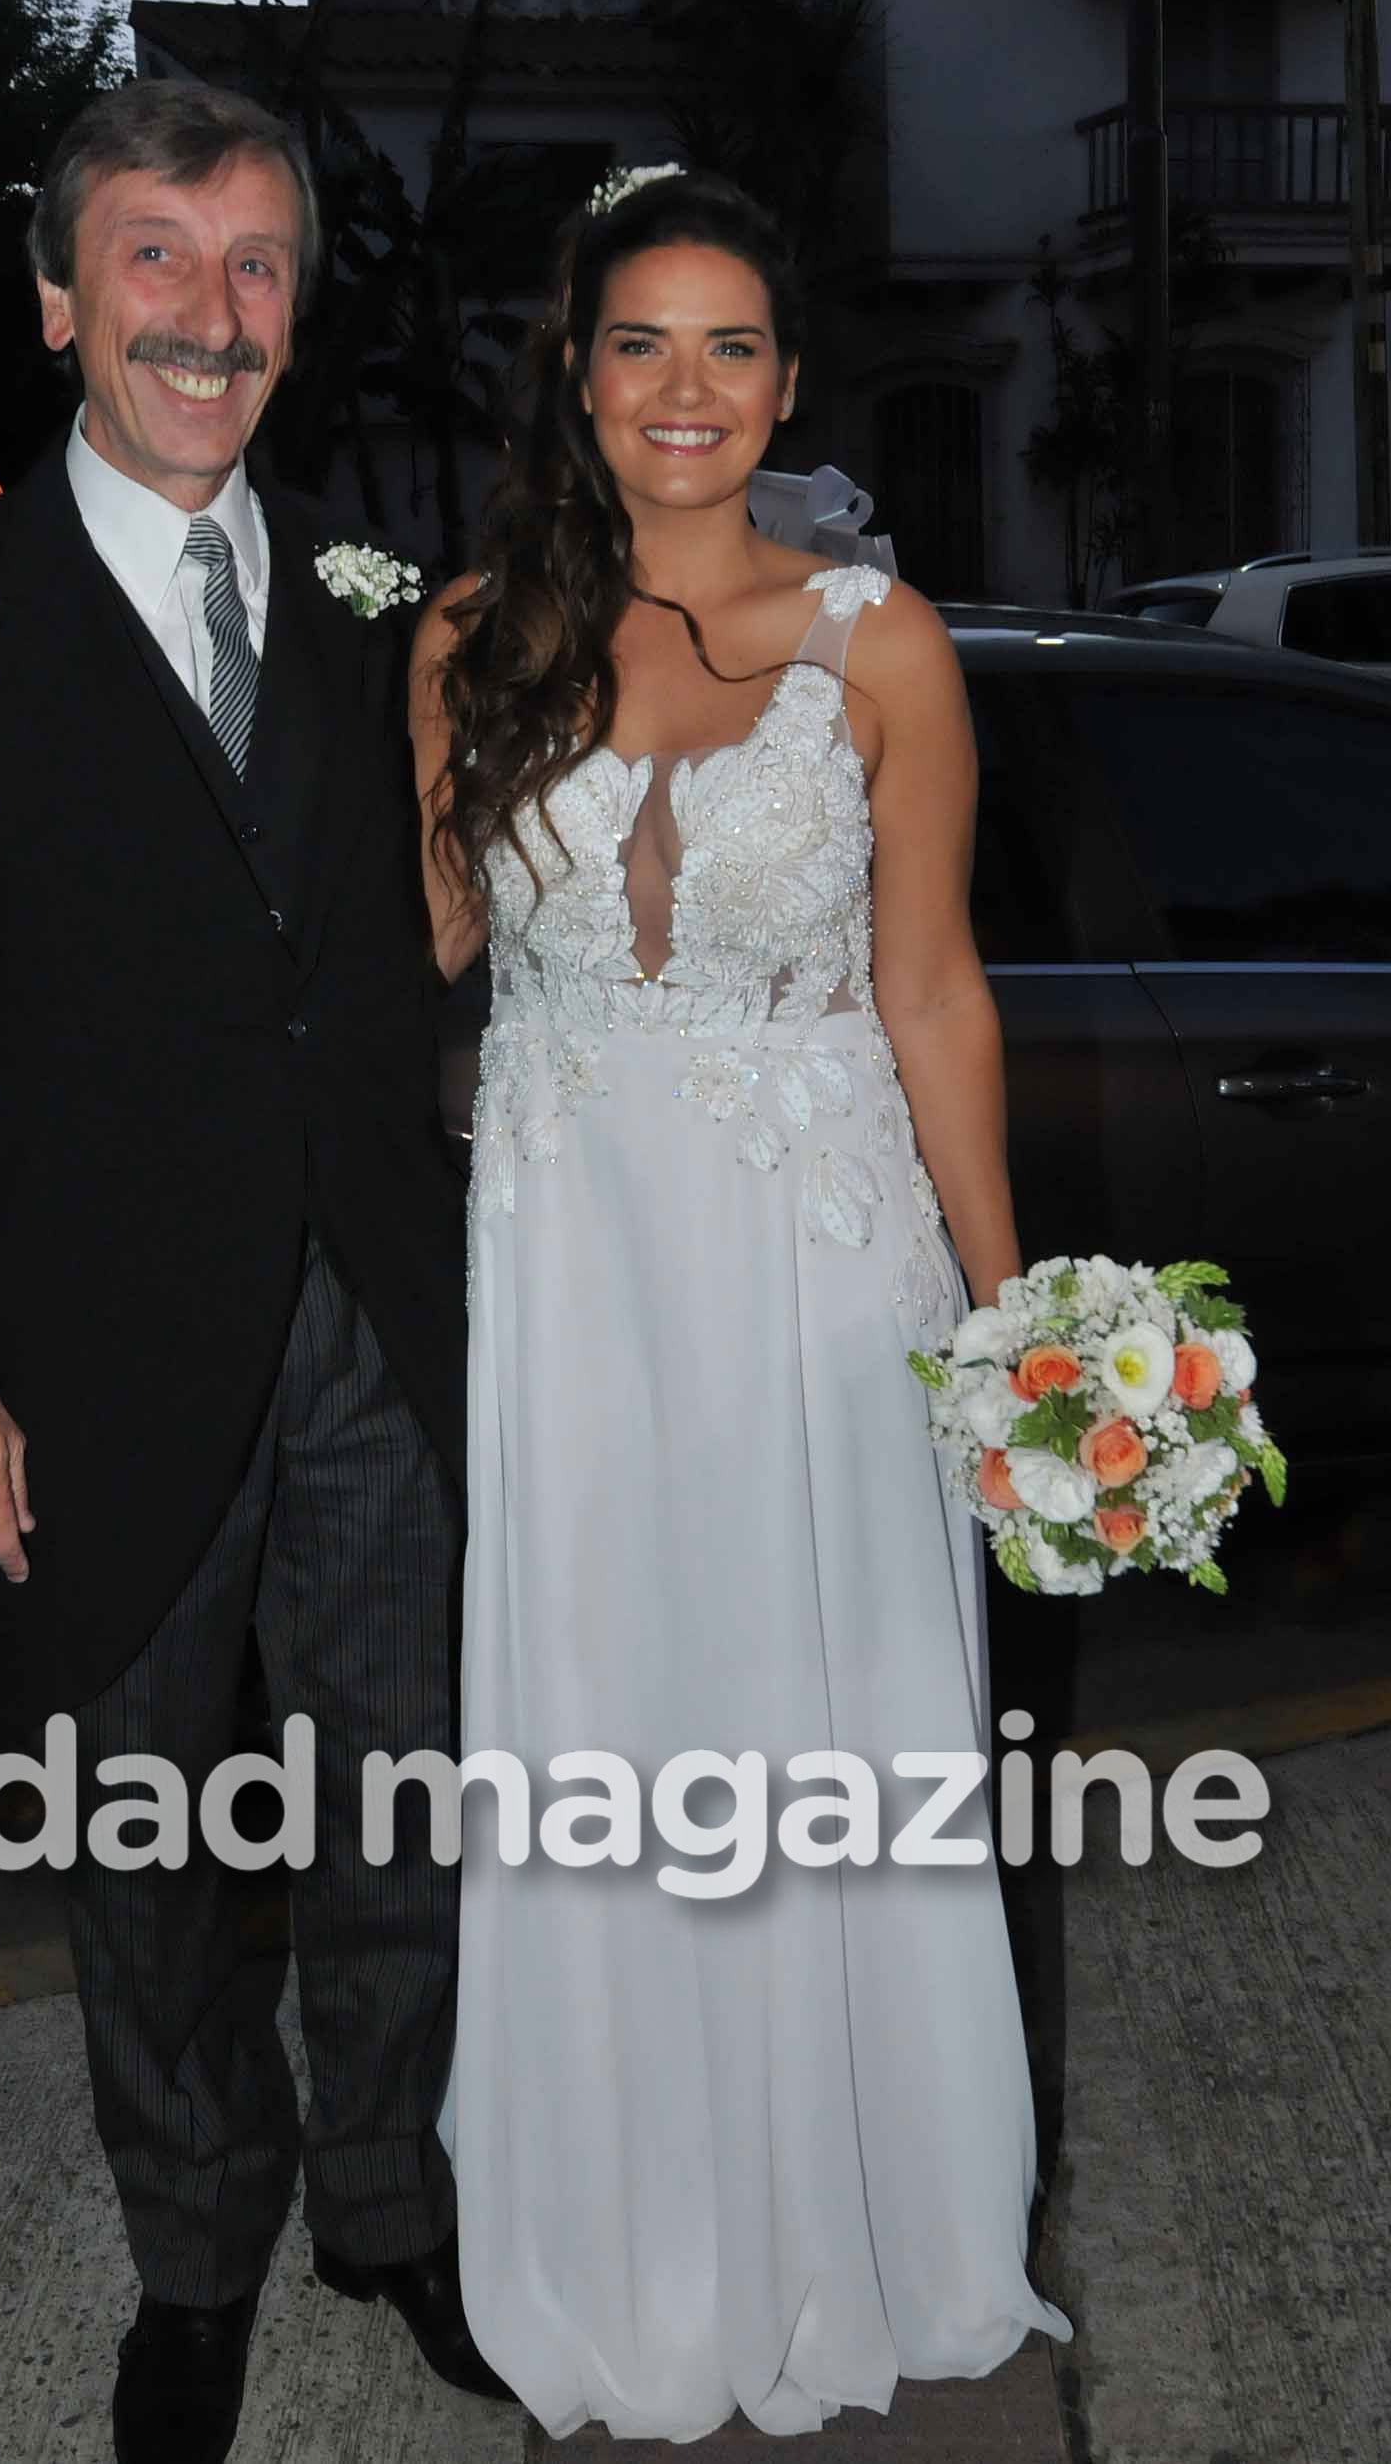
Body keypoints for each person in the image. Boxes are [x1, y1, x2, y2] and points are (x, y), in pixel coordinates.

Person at [0, 81, 511, 2461]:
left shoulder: (380, 594)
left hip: (375, 1335)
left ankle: (390, 2211)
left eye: (259, 264)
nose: (213, 317)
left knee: (404, 1805)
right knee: (153, 1848)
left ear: (303, 303)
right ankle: (193, 2261)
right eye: (158, 262)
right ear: (62, 302)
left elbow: (421, 949)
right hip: (87, 1367)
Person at [409, 164, 1072, 2439]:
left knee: (833, 1734)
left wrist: (1020, 1342)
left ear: (785, 383)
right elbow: (401, 956)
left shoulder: (883, 639)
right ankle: (635, 2241)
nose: (680, 391)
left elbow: (934, 992)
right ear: (575, 377)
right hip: (575, 1284)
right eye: (635, 344)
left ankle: (862, 2228)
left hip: (816, 1274)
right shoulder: (462, 642)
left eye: (726, 349)